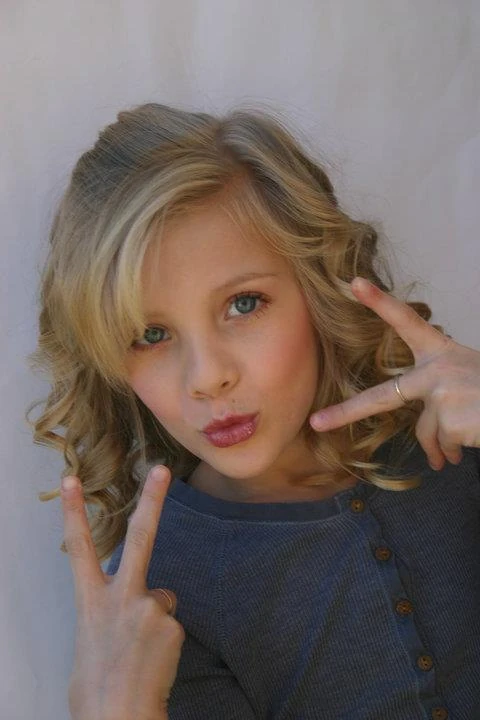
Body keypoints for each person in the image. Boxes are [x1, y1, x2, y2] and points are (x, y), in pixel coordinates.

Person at [28, 103, 480, 720]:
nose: (208, 377)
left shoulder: (452, 433)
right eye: (150, 335)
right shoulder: (156, 600)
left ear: (317, 288)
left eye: (243, 304)